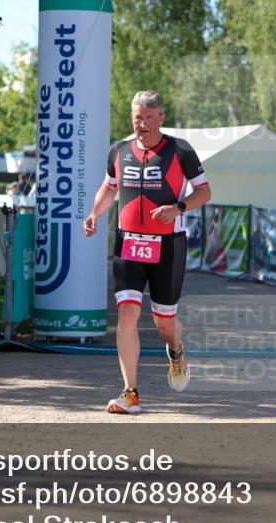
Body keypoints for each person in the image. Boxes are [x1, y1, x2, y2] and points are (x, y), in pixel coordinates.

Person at [83, 90, 212, 414]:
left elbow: (204, 192)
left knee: (163, 323)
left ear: (161, 118)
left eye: (149, 118)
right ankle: (130, 393)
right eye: (137, 118)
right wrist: (95, 214)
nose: (142, 125)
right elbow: (109, 187)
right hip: (129, 242)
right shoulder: (119, 150)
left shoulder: (180, 150)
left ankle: (176, 348)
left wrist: (178, 207)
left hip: (168, 243)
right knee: (127, 313)